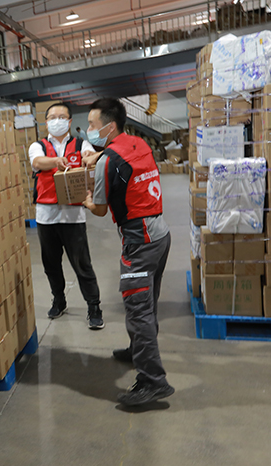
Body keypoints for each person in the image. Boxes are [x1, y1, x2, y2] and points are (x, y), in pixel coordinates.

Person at [82, 98, 174, 406]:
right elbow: (118, 156)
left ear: (109, 126)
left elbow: (100, 209)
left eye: (92, 125)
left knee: (138, 310)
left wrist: (86, 201)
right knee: (147, 304)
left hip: (140, 242)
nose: (89, 129)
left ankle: (153, 381)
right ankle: (138, 351)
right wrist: (99, 156)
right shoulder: (137, 143)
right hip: (160, 234)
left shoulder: (107, 162)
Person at [29, 102, 103, 330]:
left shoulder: (81, 144)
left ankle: (94, 307)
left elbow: (90, 157)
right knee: (51, 264)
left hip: (73, 216)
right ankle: (59, 300)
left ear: (69, 121)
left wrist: (89, 156)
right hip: (46, 216)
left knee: (82, 264)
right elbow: (37, 162)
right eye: (52, 117)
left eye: (61, 117)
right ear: (46, 122)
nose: (57, 121)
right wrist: (55, 161)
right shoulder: (38, 145)